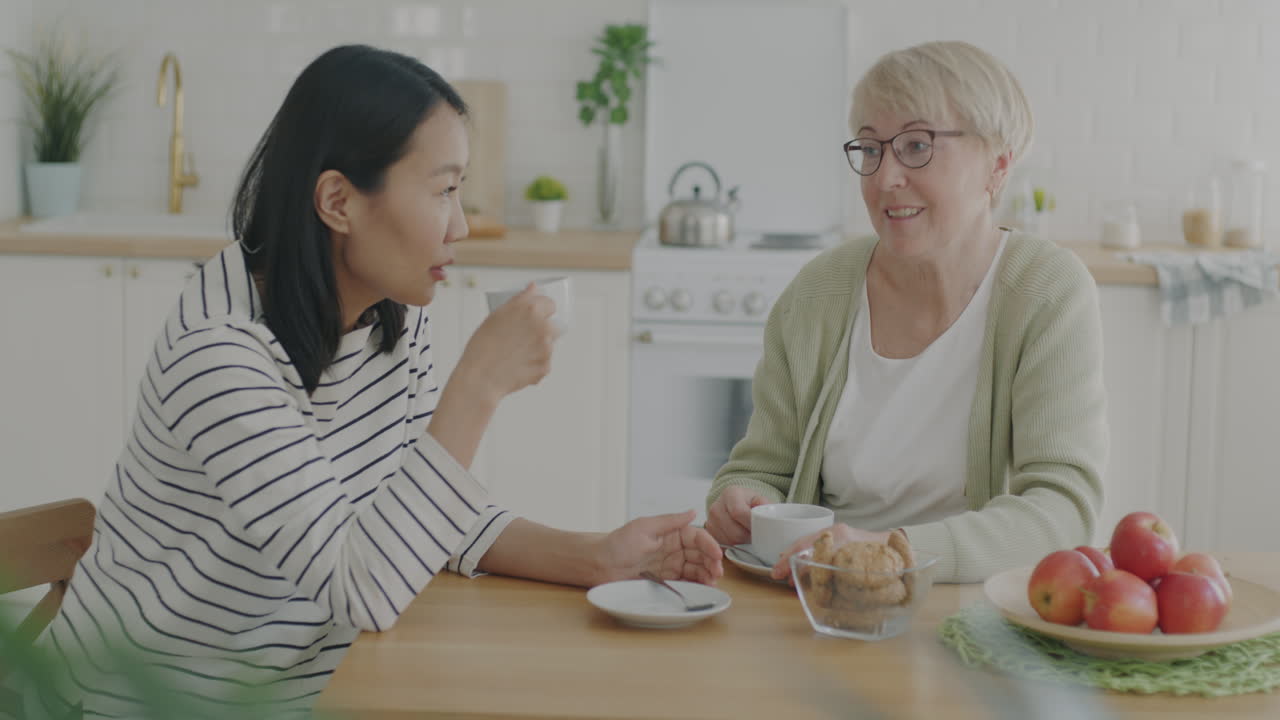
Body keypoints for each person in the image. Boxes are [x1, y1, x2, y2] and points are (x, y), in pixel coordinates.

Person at [29, 45, 721, 718]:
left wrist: (595, 558)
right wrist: (475, 387)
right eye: (444, 190)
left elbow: (421, 515)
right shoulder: (220, 357)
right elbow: (362, 587)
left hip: (308, 685)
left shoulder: (389, 315)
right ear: (338, 201)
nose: (460, 224)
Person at [704, 41, 1108, 585]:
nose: (885, 177)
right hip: (823, 600)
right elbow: (764, 465)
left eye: (917, 145)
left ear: (998, 164)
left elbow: (1062, 511)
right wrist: (742, 500)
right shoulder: (816, 294)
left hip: (975, 612)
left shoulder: (1045, 290)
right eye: (871, 150)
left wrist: (894, 551)